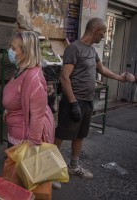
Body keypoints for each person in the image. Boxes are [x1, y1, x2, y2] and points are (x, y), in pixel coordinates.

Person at [55, 17, 136, 184]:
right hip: (73, 102)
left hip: (87, 101)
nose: (105, 36)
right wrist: (72, 102)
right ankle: (50, 170)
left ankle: (74, 166)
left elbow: (102, 69)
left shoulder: (92, 51)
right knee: (61, 135)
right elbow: (64, 77)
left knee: (80, 135)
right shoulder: (73, 49)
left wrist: (120, 78)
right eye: (104, 32)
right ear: (96, 31)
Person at [2, 31, 55, 147]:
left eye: (13, 48)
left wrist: (33, 145)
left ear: (26, 52)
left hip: (24, 141)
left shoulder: (33, 77)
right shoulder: (20, 70)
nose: (10, 51)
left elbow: (37, 116)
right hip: (15, 134)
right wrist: (8, 110)